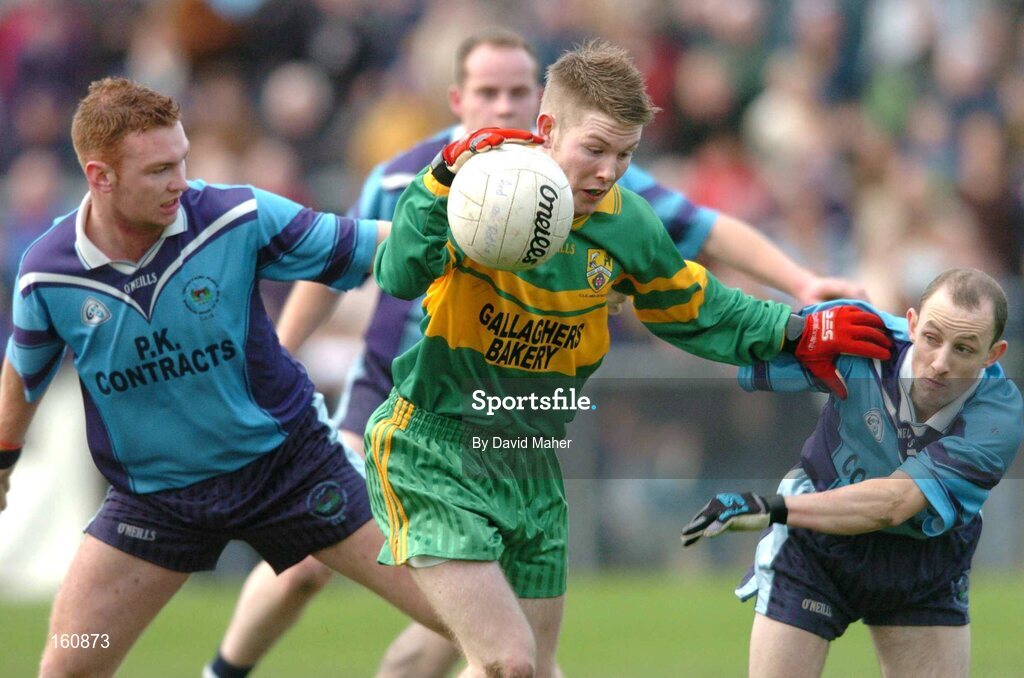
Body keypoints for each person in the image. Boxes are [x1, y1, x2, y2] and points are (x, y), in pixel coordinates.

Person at [205, 29, 870, 678]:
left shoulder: (626, 218)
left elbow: (697, 308)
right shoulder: (481, 191)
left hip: (529, 462)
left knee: (531, 665)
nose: (609, 170)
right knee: (509, 660)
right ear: (548, 128)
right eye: (596, 150)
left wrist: (797, 328)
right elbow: (402, 274)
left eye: (627, 155)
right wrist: (439, 185)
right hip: (433, 450)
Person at [0, 77, 446, 677]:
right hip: (155, 502)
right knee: (70, 665)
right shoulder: (47, 273)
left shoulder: (235, 215)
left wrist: (477, 241)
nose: (181, 181)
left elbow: (369, 246)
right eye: (159, 169)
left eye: (182, 159)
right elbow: (22, 377)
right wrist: (4, 459)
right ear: (100, 176)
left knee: (480, 627)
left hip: (291, 470)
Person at [681, 268, 1022, 678]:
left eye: (964, 349)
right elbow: (735, 342)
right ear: (912, 323)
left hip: (925, 558)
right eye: (932, 338)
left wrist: (771, 508)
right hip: (817, 542)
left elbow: (893, 505)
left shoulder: (997, 416)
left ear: (993, 354)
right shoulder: (857, 333)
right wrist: (650, 294)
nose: (940, 363)